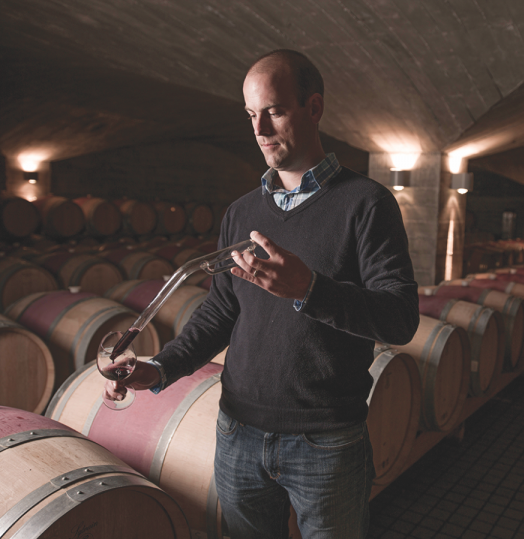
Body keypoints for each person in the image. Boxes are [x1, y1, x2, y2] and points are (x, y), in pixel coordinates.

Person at [106, 49, 419, 538]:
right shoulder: (241, 212)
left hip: (325, 439)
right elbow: (221, 309)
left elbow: (400, 318)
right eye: (251, 115)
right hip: (238, 429)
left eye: (273, 110)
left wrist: (310, 290)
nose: (259, 130)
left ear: (313, 107)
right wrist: (161, 367)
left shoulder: (367, 204)